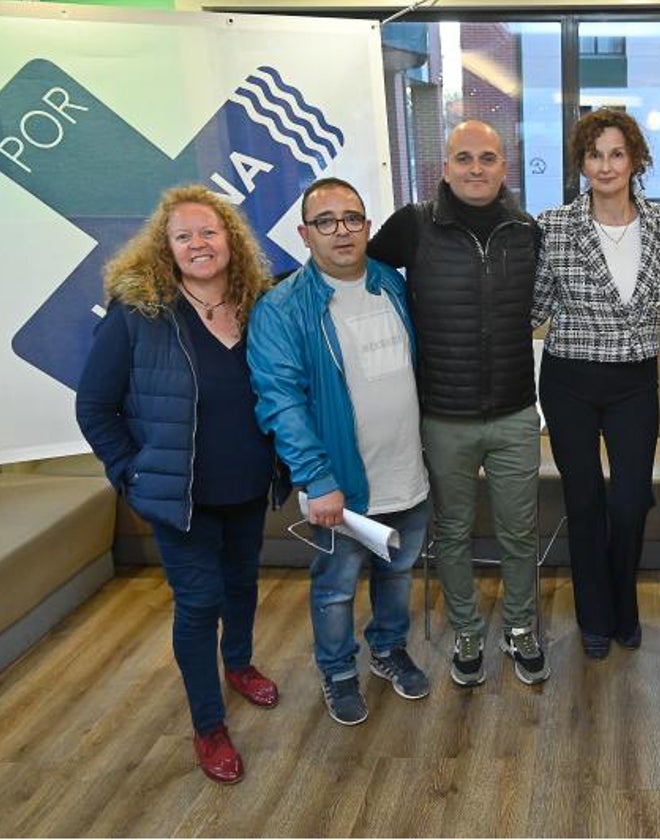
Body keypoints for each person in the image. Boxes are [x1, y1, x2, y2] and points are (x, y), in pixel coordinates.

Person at [76, 184, 279, 785]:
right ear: (164, 248)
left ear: (231, 241)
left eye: (209, 232)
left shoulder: (258, 303)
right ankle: (208, 724)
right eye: (184, 235)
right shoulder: (138, 315)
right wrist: (130, 474)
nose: (198, 244)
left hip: (247, 483)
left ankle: (239, 664)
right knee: (199, 603)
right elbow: (95, 408)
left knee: (242, 584)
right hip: (176, 496)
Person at [368, 120, 546, 688]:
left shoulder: (527, 230)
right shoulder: (414, 226)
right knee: (453, 533)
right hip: (443, 415)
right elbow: (352, 271)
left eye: (487, 158)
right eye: (464, 158)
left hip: (517, 410)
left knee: (520, 532)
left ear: (503, 167)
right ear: (444, 168)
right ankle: (467, 629)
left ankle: (520, 627)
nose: (476, 168)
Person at [248, 177, 431, 726]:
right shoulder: (281, 309)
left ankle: (387, 649)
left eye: (352, 218)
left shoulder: (393, 285)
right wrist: (316, 478)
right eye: (325, 222)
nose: (341, 231)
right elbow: (281, 403)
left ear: (368, 227)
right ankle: (338, 671)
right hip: (341, 486)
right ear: (305, 234)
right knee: (335, 589)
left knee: (397, 575)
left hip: (408, 471)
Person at [532, 108, 660, 659]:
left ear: (635, 158)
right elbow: (536, 304)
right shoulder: (555, 224)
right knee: (585, 499)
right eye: (596, 154)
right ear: (582, 163)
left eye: (618, 153)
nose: (607, 164)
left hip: (635, 381)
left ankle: (625, 602)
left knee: (632, 500)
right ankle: (595, 614)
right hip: (569, 378)